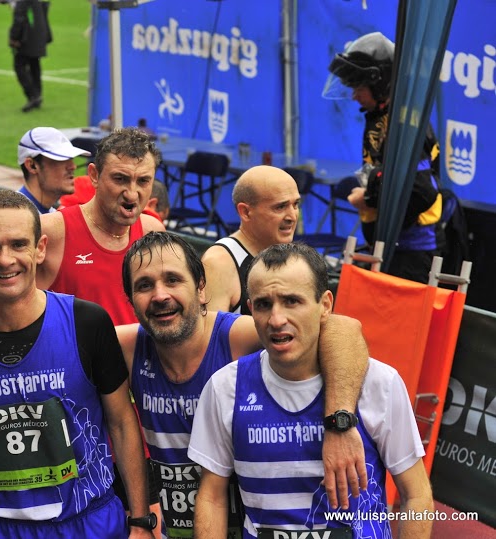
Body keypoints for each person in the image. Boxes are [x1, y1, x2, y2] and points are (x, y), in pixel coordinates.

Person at [0, 231, 370, 539]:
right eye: (144, 286)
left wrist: (339, 422)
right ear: (131, 301)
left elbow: (341, 328)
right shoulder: (128, 347)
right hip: (176, 527)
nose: (160, 295)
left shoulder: (235, 337)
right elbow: (38, 335)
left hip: (255, 523)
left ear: (202, 289)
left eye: (173, 280)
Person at [0, 190, 154, 538]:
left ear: (40, 248)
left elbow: (123, 424)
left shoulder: (87, 322)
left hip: (90, 524)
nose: (6, 260)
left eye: (19, 244)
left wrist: (140, 521)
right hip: (0, 529)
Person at [189, 242, 434, 538]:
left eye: (292, 301)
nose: (277, 320)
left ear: (325, 305)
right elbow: (212, 498)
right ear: (251, 309)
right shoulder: (224, 387)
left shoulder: (379, 382)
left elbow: (416, 496)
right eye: (264, 304)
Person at [0, 127, 165, 326]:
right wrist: (1, 328)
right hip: (72, 372)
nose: (132, 193)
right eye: (120, 179)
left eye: (143, 181)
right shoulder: (54, 229)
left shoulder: (151, 231)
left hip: (134, 369)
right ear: (94, 176)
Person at [324, 31, 442, 284]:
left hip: (410, 252)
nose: (354, 95)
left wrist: (367, 199)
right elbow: (384, 173)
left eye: (358, 87)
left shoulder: (404, 125)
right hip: (390, 246)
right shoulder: (381, 115)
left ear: (379, 83)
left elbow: (422, 191)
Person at [200, 165, 300, 314]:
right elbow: (211, 334)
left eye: (296, 205)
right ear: (246, 212)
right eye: (280, 207)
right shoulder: (220, 263)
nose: (292, 216)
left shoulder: (296, 259)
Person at [17, 126, 91, 213]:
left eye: (71, 159)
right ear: (31, 166)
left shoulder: (50, 215)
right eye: (60, 159)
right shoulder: (13, 217)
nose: (73, 166)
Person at [10, 0, 52, 112]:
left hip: (26, 37)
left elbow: (19, 18)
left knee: (19, 66)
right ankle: (37, 95)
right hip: (39, 34)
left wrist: (14, 37)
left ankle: (33, 96)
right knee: (34, 65)